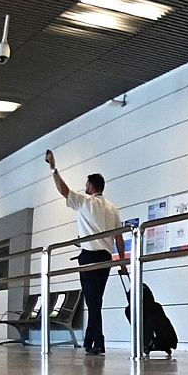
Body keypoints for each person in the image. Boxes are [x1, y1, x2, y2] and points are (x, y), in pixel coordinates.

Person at [45, 150, 124, 355]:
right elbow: (119, 237)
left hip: (89, 256)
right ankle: (91, 340)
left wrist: (54, 168)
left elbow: (63, 190)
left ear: (91, 186)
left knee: (92, 301)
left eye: (86, 184)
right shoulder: (113, 208)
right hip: (106, 258)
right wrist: (122, 262)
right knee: (96, 301)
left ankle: (98, 341)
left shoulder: (85, 201)